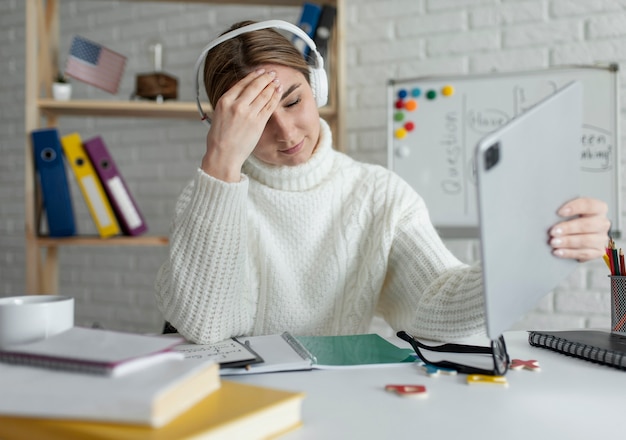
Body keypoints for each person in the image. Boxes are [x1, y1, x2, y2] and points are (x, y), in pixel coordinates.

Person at [154, 21, 611, 345]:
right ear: (222, 124)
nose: (287, 133)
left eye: (293, 102)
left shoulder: (378, 194)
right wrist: (220, 161)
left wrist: (534, 248)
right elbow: (204, 328)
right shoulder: (211, 195)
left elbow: (438, 307)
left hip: (343, 407)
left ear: (319, 90)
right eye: (256, 120)